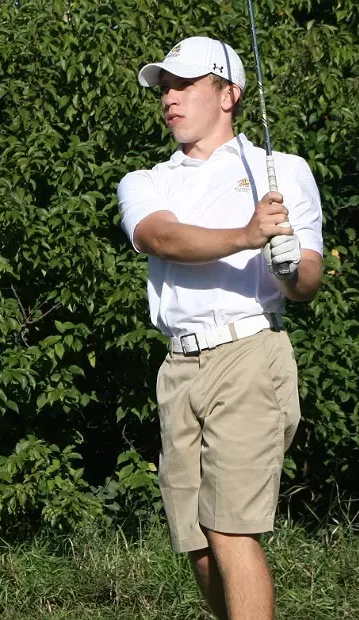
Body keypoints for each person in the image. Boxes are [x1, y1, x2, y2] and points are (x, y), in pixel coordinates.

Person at [117, 36, 323, 620]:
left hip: (249, 352)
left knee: (231, 531)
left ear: (228, 94)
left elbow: (307, 281)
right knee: (200, 546)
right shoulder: (146, 180)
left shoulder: (282, 170)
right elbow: (161, 237)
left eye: (185, 85)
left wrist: (289, 266)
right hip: (180, 366)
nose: (170, 99)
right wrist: (248, 236)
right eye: (164, 88)